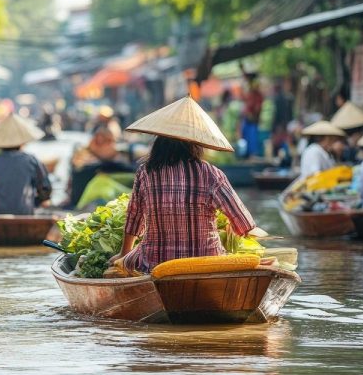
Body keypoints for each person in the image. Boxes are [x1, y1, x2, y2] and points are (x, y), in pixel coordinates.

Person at [109, 97, 257, 274]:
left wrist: (123, 254)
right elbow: (244, 223)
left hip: (156, 266)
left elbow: (134, 218)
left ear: (160, 142)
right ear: (195, 143)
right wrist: (232, 229)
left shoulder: (145, 172)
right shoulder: (211, 174)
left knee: (127, 259)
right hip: (206, 264)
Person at [0, 114, 52, 215]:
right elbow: (45, 190)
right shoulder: (32, 160)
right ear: (22, 142)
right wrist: (35, 202)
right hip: (25, 212)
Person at [241, 74, 264, 157]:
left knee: (252, 138)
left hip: (252, 119)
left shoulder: (258, 95)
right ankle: (247, 154)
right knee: (246, 137)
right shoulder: (250, 93)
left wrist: (253, 114)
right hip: (247, 119)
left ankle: (252, 154)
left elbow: (258, 107)